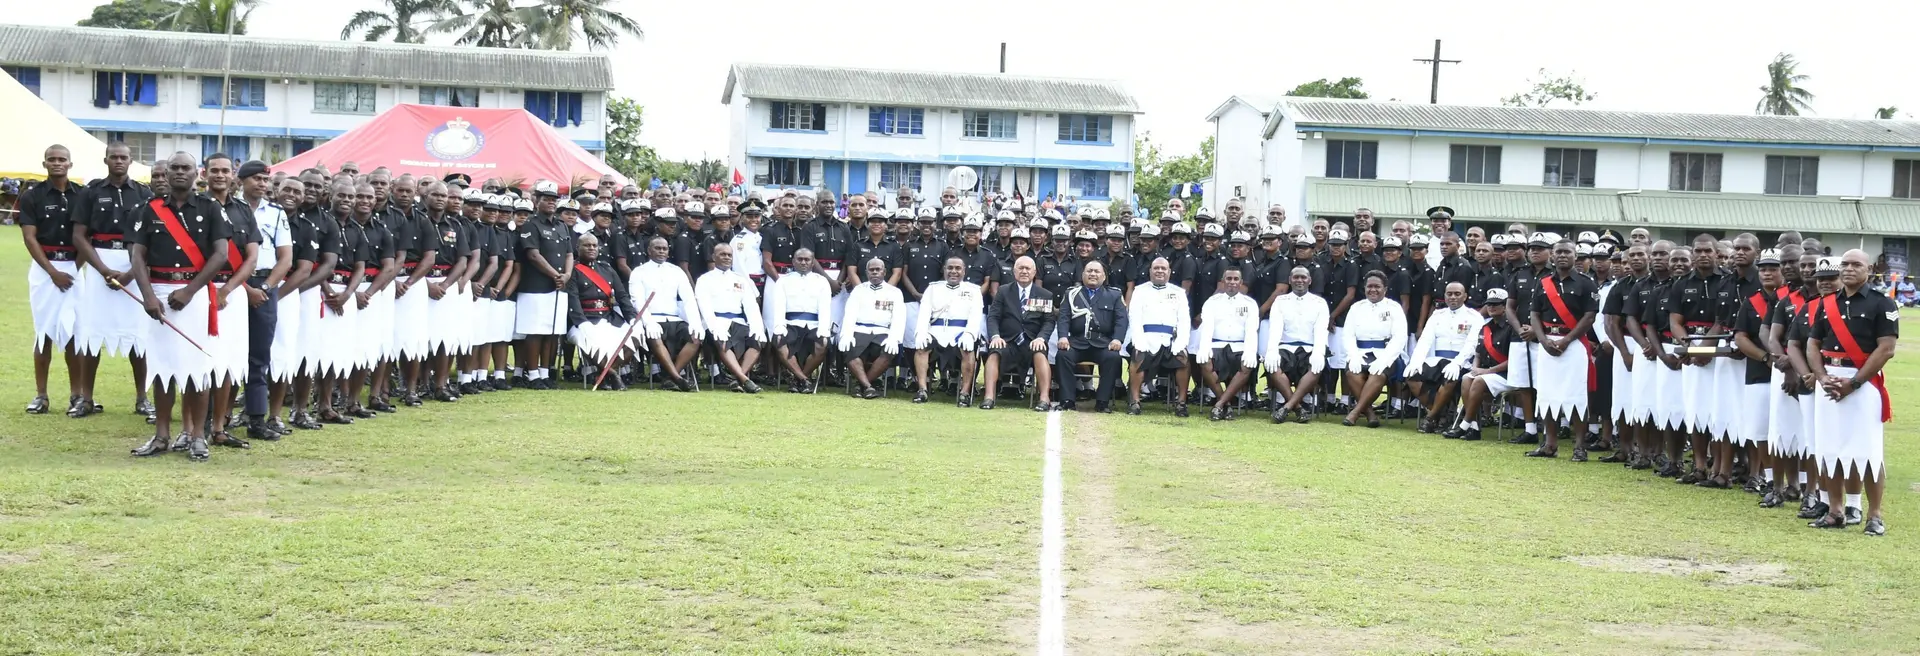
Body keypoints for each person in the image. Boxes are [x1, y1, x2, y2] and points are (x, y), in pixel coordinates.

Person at [126, 151, 232, 461]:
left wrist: (190, 290)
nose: (179, 173)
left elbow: (221, 255)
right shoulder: (148, 209)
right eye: (174, 168)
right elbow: (137, 256)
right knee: (161, 367)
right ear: (166, 173)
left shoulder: (211, 208)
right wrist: (147, 296)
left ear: (197, 172)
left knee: (196, 368)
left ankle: (197, 436)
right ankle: (161, 435)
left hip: (195, 292)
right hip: (158, 288)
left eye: (186, 168)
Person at [1806, 251, 1897, 535]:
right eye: (1844, 264)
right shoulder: (1826, 304)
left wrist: (1854, 383)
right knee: (1829, 448)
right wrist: (1821, 378)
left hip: (1863, 382)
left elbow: (1886, 349)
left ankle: (1875, 515)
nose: (1848, 269)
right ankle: (1835, 511)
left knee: (1868, 452)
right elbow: (1812, 343)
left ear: (1869, 269)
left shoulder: (1882, 303)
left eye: (1855, 264)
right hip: (1830, 379)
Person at [71, 142, 156, 420]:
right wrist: (102, 269)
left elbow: (151, 238)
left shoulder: (144, 193)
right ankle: (86, 398)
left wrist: (133, 272)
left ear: (131, 161)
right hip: (100, 265)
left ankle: (142, 398)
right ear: (105, 159)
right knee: (91, 334)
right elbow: (79, 236)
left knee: (139, 336)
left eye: (124, 157)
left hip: (134, 263)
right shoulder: (91, 191)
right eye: (114, 157)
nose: (118, 161)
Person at [20, 145, 82, 416]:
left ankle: (77, 395)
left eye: (62, 160)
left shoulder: (82, 195)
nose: (57, 163)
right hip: (45, 269)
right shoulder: (32, 196)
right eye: (52, 160)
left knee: (74, 334)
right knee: (43, 332)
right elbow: (29, 237)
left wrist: (75, 268)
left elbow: (85, 236)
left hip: (74, 266)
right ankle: (41, 395)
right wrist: (52, 272)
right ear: (44, 163)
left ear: (70, 164)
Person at [1528, 239, 1600, 460]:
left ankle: (1579, 446)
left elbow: (1590, 317)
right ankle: (1550, 444)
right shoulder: (1543, 283)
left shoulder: (1586, 283)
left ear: (1575, 256)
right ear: (1552, 255)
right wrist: (1543, 340)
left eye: (1567, 252)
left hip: (1574, 344)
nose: (1562, 256)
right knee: (1547, 394)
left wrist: (1567, 340)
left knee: (1577, 395)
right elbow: (1534, 315)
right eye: (1558, 252)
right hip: (1547, 343)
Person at [514, 181, 574, 389]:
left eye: (553, 199)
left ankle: (544, 372)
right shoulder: (531, 224)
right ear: (536, 201)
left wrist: (566, 275)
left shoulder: (561, 225)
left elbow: (569, 253)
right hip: (536, 286)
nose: (550, 202)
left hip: (558, 287)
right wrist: (554, 274)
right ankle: (532, 375)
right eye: (546, 199)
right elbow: (532, 254)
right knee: (535, 332)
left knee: (552, 332)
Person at [564, 233, 638, 390]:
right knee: (589, 339)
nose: (591, 248)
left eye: (594, 245)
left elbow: (622, 296)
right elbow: (573, 300)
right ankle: (612, 375)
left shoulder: (606, 269)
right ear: (578, 248)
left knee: (636, 336)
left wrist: (632, 318)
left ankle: (603, 375)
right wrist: (582, 323)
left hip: (609, 318)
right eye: (587, 245)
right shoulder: (573, 271)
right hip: (583, 320)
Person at [983, 255, 1056, 411]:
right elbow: (993, 317)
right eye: (1020, 268)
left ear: (1034, 272)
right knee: (994, 353)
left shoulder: (1045, 294)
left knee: (1040, 353)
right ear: (1014, 272)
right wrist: (995, 336)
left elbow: (1049, 321)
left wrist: (1041, 338)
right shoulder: (1003, 291)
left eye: (1027, 268)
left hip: (1032, 341)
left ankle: (1044, 398)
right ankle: (989, 397)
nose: (1024, 271)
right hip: (1007, 341)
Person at [1407, 282, 1481, 434]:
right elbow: (1425, 340)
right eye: (1449, 294)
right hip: (1437, 360)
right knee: (1410, 376)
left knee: (1450, 378)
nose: (1453, 297)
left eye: (1457, 294)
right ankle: (1441, 414)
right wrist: (1416, 360)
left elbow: (1471, 345)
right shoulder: (1437, 315)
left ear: (1465, 296)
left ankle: (1430, 418)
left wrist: (1457, 363)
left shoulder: (1474, 317)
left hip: (1462, 362)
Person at [912, 256, 987, 406]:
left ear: (964, 271)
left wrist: (970, 334)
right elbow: (924, 313)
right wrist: (921, 332)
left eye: (958, 268)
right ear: (944, 270)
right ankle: (922, 390)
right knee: (921, 347)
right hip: (936, 330)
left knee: (968, 349)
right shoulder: (933, 288)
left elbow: (975, 316)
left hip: (961, 330)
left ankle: (965, 393)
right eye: (950, 268)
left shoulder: (973, 290)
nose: (954, 271)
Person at [1055, 260, 1128, 412]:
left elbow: (1121, 319)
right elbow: (1063, 317)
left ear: (1103, 276)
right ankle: (1067, 400)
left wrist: (1117, 339)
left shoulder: (1114, 295)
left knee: (1113, 358)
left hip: (1103, 343)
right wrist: (1063, 337)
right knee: (1063, 356)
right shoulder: (1072, 293)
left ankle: (1102, 402)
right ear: (1083, 275)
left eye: (1096, 271)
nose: (1092, 274)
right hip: (1077, 341)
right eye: (1089, 271)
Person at [695, 243, 767, 393]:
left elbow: (751, 306)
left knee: (758, 341)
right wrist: (714, 326)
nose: (727, 258)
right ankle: (745, 379)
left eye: (729, 255)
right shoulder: (704, 279)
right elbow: (705, 308)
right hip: (715, 322)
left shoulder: (740, 279)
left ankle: (737, 380)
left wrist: (757, 327)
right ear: (714, 257)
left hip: (738, 321)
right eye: (722, 254)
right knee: (722, 340)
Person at [1125, 257, 1192, 416]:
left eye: (1163, 268)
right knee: (1137, 356)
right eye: (1156, 268)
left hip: (1170, 340)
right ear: (1150, 271)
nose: (1160, 271)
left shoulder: (1178, 292)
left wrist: (1181, 342)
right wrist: (1139, 340)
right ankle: (1134, 402)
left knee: (1184, 359)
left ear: (1169, 272)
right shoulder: (1140, 291)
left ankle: (1181, 403)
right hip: (1146, 338)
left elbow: (1184, 320)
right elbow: (1134, 318)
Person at [1341, 271, 1408, 428]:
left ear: (1385, 289)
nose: (1373, 290)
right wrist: (1353, 355)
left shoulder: (1394, 307)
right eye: (1369, 286)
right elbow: (1348, 335)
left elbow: (1399, 337)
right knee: (1351, 373)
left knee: (1377, 374)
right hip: (1361, 353)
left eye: (1377, 286)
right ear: (1364, 288)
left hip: (1386, 353)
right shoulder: (1356, 307)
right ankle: (1370, 413)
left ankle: (1356, 412)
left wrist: (1385, 359)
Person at [1263, 266, 1329, 423]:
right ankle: (1298, 408)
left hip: (1310, 348)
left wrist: (1319, 352)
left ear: (1310, 281)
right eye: (1296, 277)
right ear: (1290, 280)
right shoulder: (1280, 301)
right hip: (1286, 347)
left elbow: (1321, 330)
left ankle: (1287, 407)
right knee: (1273, 365)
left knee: (1317, 367)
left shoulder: (1319, 303)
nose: (1300, 280)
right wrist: (1271, 350)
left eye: (1303, 277)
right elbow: (1275, 328)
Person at [1195, 267, 1261, 420]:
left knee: (1247, 366)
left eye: (1235, 279)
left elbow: (1251, 330)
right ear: (1223, 282)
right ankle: (1227, 405)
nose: (1232, 282)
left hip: (1239, 346)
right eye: (1228, 279)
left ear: (1241, 282)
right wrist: (1204, 347)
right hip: (1217, 345)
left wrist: (1250, 351)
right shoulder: (1212, 302)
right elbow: (1207, 327)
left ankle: (1219, 405)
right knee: (1204, 362)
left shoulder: (1250, 303)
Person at [767, 248, 834, 392]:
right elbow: (779, 306)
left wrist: (823, 329)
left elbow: (825, 308)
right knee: (779, 341)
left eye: (807, 260)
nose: (803, 262)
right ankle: (804, 379)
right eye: (800, 259)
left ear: (812, 262)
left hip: (814, 324)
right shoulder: (783, 281)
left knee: (822, 343)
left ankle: (798, 379)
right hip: (790, 323)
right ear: (793, 261)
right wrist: (779, 327)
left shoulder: (821, 281)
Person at [840, 258, 907, 399]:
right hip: (860, 330)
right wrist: (846, 334)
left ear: (884, 272)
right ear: (866, 272)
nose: (875, 272)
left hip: (883, 332)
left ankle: (861, 385)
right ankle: (869, 387)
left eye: (878, 269)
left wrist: (894, 338)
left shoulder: (894, 292)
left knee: (888, 352)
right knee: (849, 350)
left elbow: (899, 318)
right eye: (872, 270)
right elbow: (849, 314)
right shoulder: (858, 290)